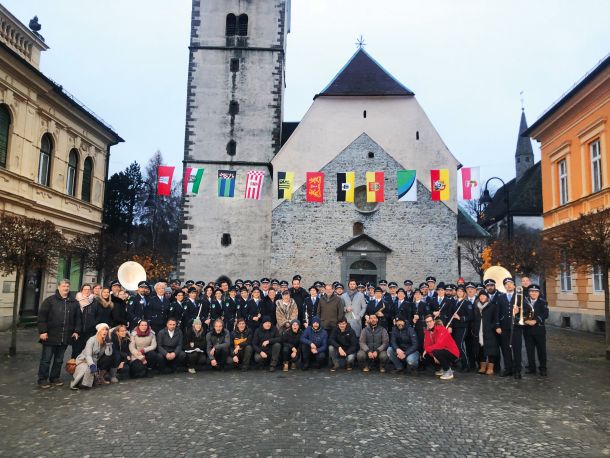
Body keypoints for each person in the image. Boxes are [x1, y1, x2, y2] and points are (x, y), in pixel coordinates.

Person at [37, 279, 81, 388]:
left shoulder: (74, 303)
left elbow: (78, 319)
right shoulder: (50, 301)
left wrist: (76, 331)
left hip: (65, 336)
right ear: (58, 287)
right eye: (63, 286)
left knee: (59, 360)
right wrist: (43, 331)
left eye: (67, 286)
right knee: (46, 360)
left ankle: (54, 378)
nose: (65, 288)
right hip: (50, 336)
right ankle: (42, 379)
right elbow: (42, 317)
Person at [70, 322, 114, 390]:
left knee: (109, 358)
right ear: (99, 331)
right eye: (103, 329)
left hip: (95, 360)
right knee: (87, 369)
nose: (105, 331)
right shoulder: (91, 340)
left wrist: (108, 344)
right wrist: (91, 364)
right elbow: (88, 355)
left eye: (106, 330)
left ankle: (99, 376)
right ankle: (79, 383)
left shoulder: (105, 340)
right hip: (84, 360)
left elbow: (109, 354)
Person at [423, 315, 459, 380]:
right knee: (427, 355)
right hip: (441, 351)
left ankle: (448, 371)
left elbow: (439, 345)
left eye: (430, 321)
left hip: (453, 352)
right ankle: (444, 368)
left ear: (434, 321)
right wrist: (432, 355)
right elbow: (426, 345)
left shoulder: (442, 329)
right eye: (427, 322)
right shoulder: (427, 332)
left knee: (435, 351)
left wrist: (428, 350)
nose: (429, 323)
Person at [523, 285, 549, 376]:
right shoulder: (524, 302)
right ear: (529, 292)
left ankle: (543, 368)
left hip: (539, 329)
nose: (533, 293)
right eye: (532, 291)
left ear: (538, 293)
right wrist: (526, 320)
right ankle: (531, 367)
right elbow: (521, 312)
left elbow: (545, 314)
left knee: (541, 350)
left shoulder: (543, 302)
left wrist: (536, 320)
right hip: (527, 329)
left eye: (536, 291)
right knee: (529, 350)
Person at [448, 285, 474, 372]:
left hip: (463, 327)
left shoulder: (467, 303)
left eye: (461, 291)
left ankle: (466, 365)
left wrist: (460, 318)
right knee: (455, 345)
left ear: (464, 293)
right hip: (454, 327)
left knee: (459, 345)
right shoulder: (454, 302)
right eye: (458, 291)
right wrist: (450, 326)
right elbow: (450, 315)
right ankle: (460, 363)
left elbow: (471, 316)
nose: (459, 292)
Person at [473, 291, 499, 376]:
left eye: (484, 296)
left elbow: (495, 318)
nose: (482, 297)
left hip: (489, 331)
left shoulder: (492, 306)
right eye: (480, 296)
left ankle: (490, 367)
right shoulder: (476, 306)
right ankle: (483, 366)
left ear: (487, 297)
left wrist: (492, 327)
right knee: (481, 348)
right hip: (479, 330)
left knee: (491, 349)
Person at [495, 277, 517, 377]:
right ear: (504, 286)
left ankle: (517, 368)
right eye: (506, 284)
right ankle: (508, 368)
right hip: (504, 327)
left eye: (510, 283)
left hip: (516, 326)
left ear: (514, 285)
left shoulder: (518, 296)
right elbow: (497, 313)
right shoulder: (501, 297)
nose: (508, 285)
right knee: (505, 348)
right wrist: (498, 326)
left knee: (516, 348)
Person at [72, 283, 99, 358]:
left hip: (89, 331)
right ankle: (74, 368)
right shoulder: (76, 301)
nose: (87, 291)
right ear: (81, 290)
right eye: (85, 289)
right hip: (77, 331)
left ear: (91, 291)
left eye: (88, 289)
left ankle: (85, 368)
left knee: (87, 351)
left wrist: (93, 324)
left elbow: (98, 315)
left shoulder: (94, 301)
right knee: (76, 352)